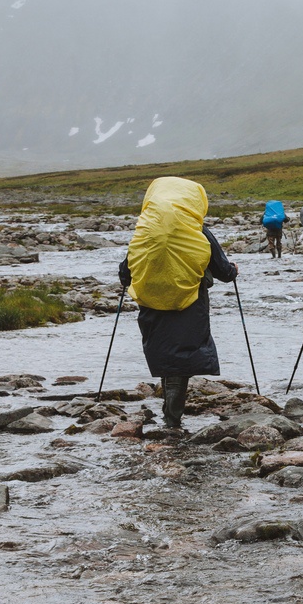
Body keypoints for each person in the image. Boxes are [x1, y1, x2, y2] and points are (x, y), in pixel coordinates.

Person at [119, 177, 239, 430]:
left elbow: (125, 271)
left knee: (165, 352)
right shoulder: (197, 230)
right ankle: (172, 418)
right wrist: (233, 271)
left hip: (151, 302)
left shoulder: (145, 229)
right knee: (182, 355)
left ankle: (170, 415)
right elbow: (223, 270)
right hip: (190, 303)